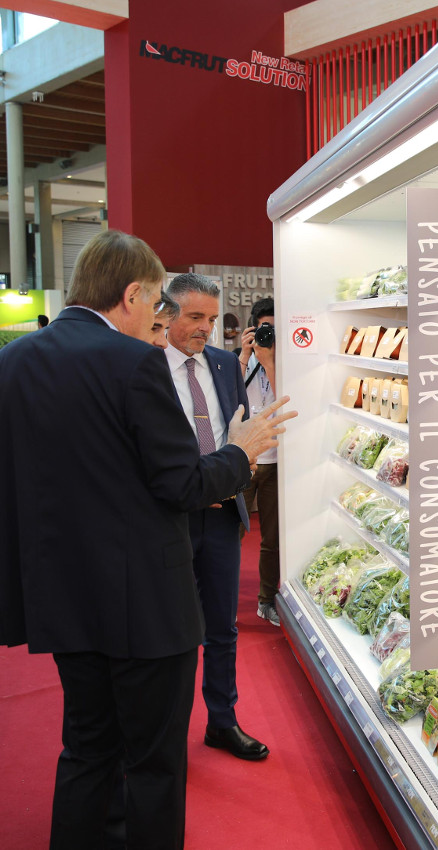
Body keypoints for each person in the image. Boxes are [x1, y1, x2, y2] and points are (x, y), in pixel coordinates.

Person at [0, 230, 294, 850]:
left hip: (59, 596)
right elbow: (181, 483)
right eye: (156, 304)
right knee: (152, 761)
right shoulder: (134, 363)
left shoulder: (8, 365)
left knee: (87, 747)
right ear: (131, 294)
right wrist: (243, 450)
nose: (161, 319)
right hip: (144, 604)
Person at [163, 272, 268, 761]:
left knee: (223, 627)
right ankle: (166, 732)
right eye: (194, 317)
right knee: (172, 629)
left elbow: (242, 432)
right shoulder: (146, 368)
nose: (206, 327)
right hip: (171, 519)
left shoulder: (227, 365)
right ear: (166, 314)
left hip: (225, 516)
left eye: (211, 317)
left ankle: (222, 722)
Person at [238, 297, 280, 627]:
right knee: (230, 535)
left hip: (278, 460)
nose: (269, 335)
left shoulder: (283, 364)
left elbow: (288, 400)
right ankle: (217, 597)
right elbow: (228, 400)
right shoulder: (241, 362)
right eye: (264, 328)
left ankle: (267, 600)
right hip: (245, 461)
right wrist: (245, 355)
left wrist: (270, 363)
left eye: (274, 329)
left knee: (273, 539)